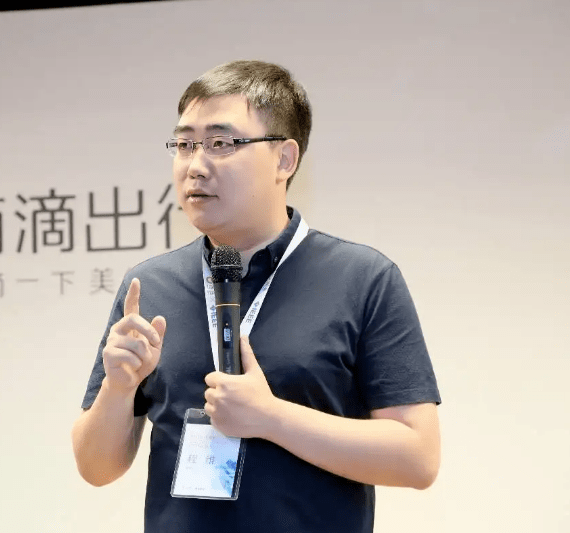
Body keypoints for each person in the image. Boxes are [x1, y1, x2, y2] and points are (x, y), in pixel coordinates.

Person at [71, 60, 441, 533]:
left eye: (221, 144)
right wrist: (119, 388)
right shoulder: (150, 285)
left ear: (284, 159)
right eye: (184, 145)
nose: (195, 165)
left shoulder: (364, 278)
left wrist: (271, 418)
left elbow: (417, 457)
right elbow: (95, 467)